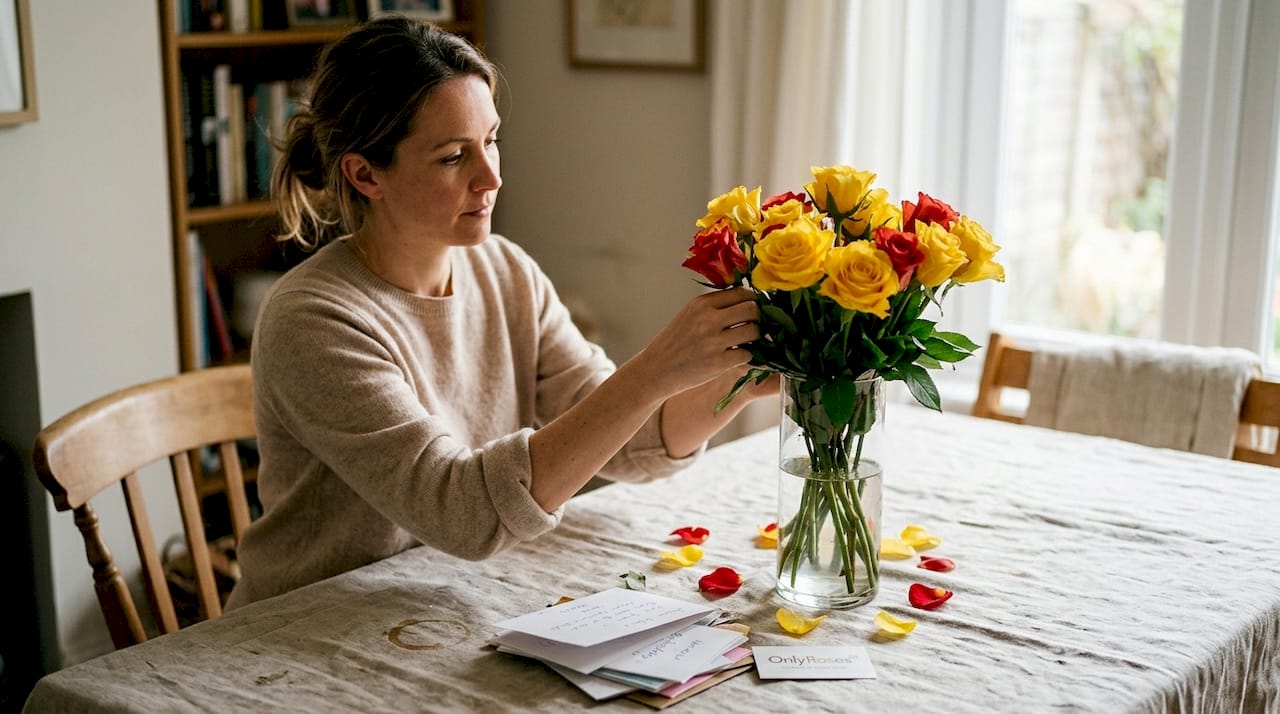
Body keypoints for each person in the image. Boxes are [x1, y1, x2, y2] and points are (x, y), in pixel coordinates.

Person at [226, 16, 776, 608]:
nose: (491, 177)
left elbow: (624, 441)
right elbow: (466, 514)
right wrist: (655, 368)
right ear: (364, 174)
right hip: (302, 628)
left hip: (437, 600)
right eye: (451, 157)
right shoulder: (314, 321)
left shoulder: (503, 269)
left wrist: (736, 383)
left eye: (490, 140)